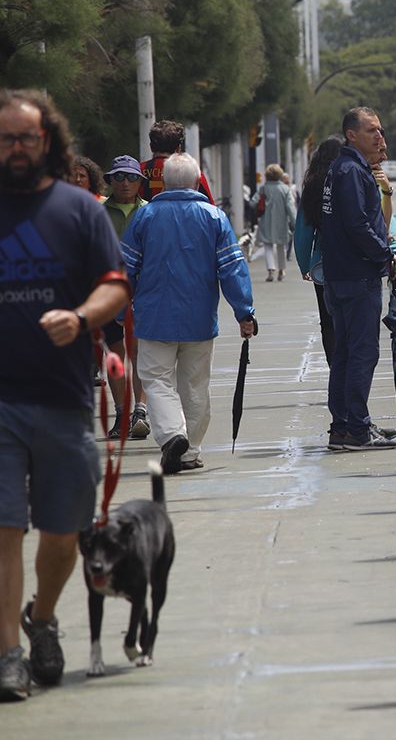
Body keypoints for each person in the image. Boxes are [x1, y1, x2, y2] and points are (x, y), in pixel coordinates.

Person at [0, 89, 131, 700]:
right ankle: (8, 653)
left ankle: (43, 616)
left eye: (26, 137)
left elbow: (114, 286)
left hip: (64, 397)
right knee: (3, 530)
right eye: (6, 138)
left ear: (47, 140)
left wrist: (80, 318)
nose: (16, 148)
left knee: (61, 532)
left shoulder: (80, 211)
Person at [121, 154, 256, 475]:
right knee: (195, 385)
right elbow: (232, 269)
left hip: (154, 319)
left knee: (155, 380)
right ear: (197, 182)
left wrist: (117, 309)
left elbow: (125, 269)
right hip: (199, 319)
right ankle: (189, 450)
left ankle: (171, 435)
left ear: (163, 183)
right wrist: (244, 312)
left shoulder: (144, 217)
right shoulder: (214, 218)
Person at [320, 108, 396, 452]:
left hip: (339, 276)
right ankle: (355, 428)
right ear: (352, 135)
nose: (379, 137)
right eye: (371, 131)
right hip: (356, 277)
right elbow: (358, 225)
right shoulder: (351, 171)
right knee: (361, 354)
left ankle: (345, 425)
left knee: (345, 353)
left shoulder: (342, 169)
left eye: (380, 131)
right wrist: (385, 256)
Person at [101, 156, 151, 441]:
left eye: (131, 177)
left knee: (139, 354)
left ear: (140, 182)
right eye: (118, 177)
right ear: (109, 180)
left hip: (143, 294)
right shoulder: (97, 212)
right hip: (107, 292)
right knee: (115, 355)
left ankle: (140, 412)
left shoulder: (149, 212)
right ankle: (121, 413)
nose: (125, 183)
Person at [295, 136, 344, 364]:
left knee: (328, 322)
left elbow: (303, 233)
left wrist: (305, 265)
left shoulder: (312, 187)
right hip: (351, 262)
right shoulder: (347, 179)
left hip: (322, 266)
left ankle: (336, 369)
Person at [139, 119, 214, 203]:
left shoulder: (138, 171)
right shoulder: (192, 172)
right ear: (178, 148)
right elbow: (210, 205)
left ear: (151, 147)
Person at [256, 164, 296, 283]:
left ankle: (270, 270)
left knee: (267, 246)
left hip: (266, 221)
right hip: (281, 222)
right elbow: (290, 207)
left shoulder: (263, 188)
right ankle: (282, 270)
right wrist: (295, 222)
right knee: (281, 246)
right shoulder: (285, 189)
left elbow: (254, 202)